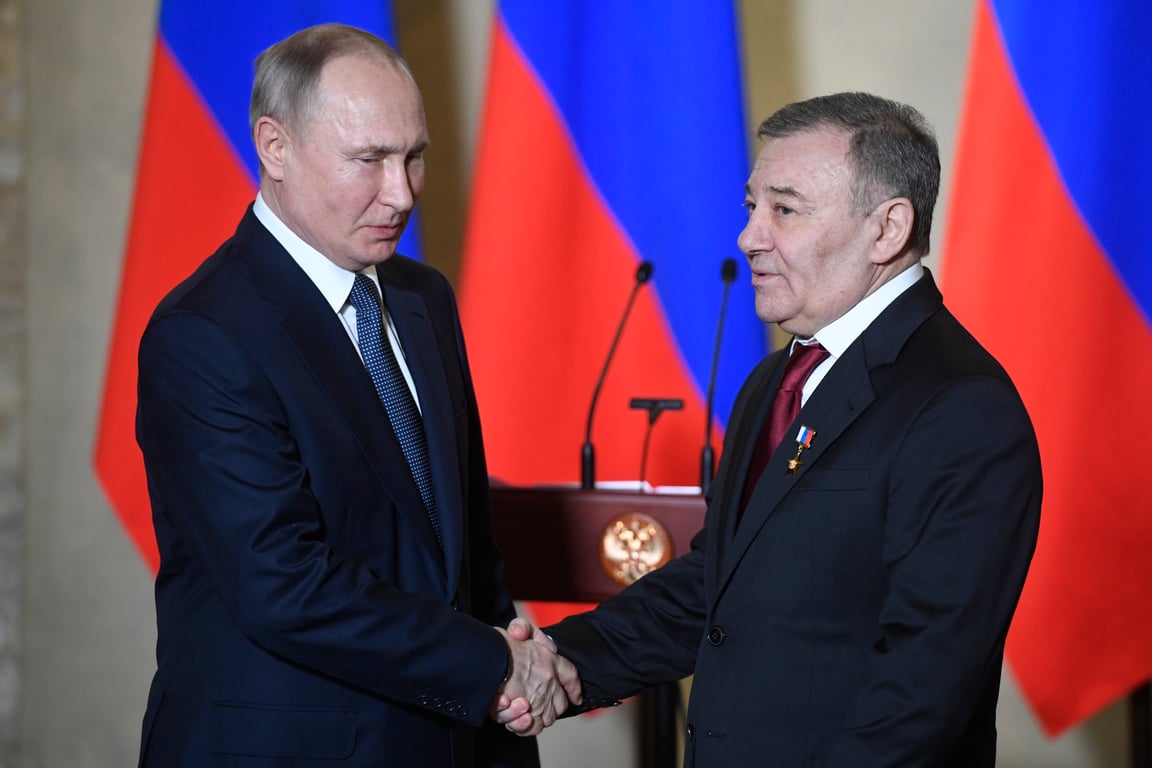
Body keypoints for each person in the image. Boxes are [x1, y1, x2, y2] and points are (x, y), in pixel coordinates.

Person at [502, 92, 1042, 766]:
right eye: (751, 207)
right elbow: (721, 585)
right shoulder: (777, 380)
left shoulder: (959, 406)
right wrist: (564, 662)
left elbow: (920, 688)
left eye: (784, 209)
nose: (750, 236)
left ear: (887, 228)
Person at [134, 23, 577, 767]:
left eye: (413, 158)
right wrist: (492, 665)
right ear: (275, 148)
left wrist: (517, 671)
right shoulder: (203, 332)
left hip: (456, 736)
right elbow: (285, 585)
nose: (400, 193)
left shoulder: (421, 296)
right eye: (368, 160)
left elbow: (461, 539)